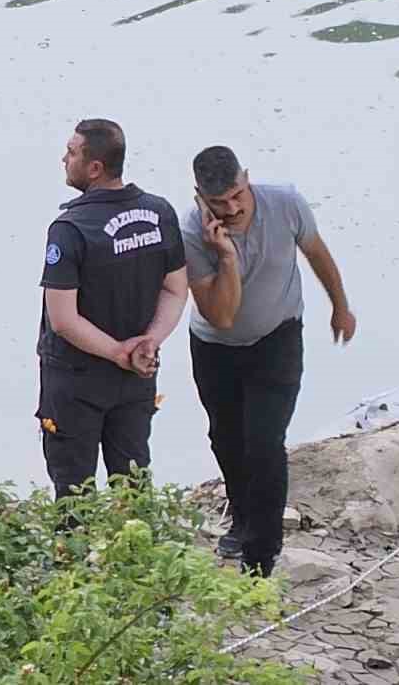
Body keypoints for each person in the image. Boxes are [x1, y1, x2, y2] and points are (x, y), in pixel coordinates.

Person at [183, 145, 356, 577]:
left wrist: (340, 306)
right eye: (219, 202)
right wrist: (225, 255)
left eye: (238, 194)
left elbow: (317, 252)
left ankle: (261, 556)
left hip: (277, 337)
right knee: (225, 438)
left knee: (263, 442)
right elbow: (220, 316)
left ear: (247, 177)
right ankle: (242, 518)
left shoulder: (286, 202)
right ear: (199, 197)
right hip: (214, 347)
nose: (233, 208)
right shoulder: (190, 232)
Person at [37, 118, 189, 500]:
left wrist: (117, 353)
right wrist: (148, 342)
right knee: (133, 483)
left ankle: (73, 557)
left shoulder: (70, 228)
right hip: (138, 374)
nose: (63, 159)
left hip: (76, 380)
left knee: (74, 490)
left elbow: (63, 319)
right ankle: (138, 556)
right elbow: (175, 290)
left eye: (71, 153)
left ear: (94, 167)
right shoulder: (160, 213)